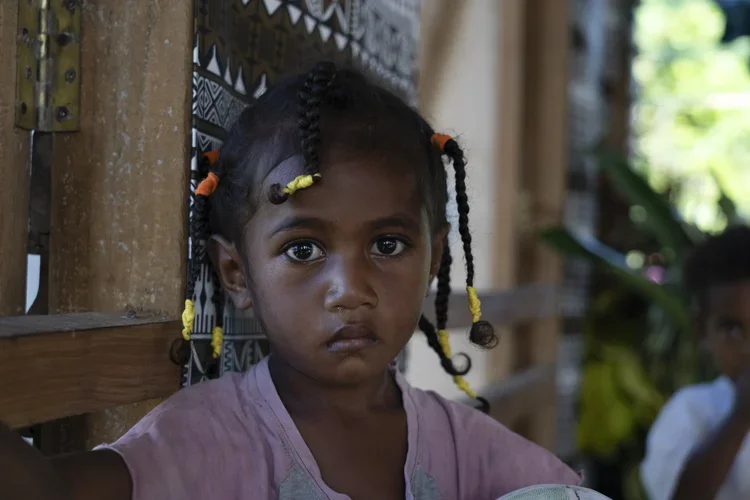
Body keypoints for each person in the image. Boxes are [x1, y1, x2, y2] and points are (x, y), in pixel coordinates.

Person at [0, 61, 580, 500]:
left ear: (433, 261)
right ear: (237, 272)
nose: (350, 288)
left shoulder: (460, 446)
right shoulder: (207, 438)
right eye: (303, 249)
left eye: (387, 245)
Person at [641, 225, 750, 500]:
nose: (749, 348)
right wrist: (740, 419)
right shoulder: (690, 413)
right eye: (732, 329)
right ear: (702, 329)